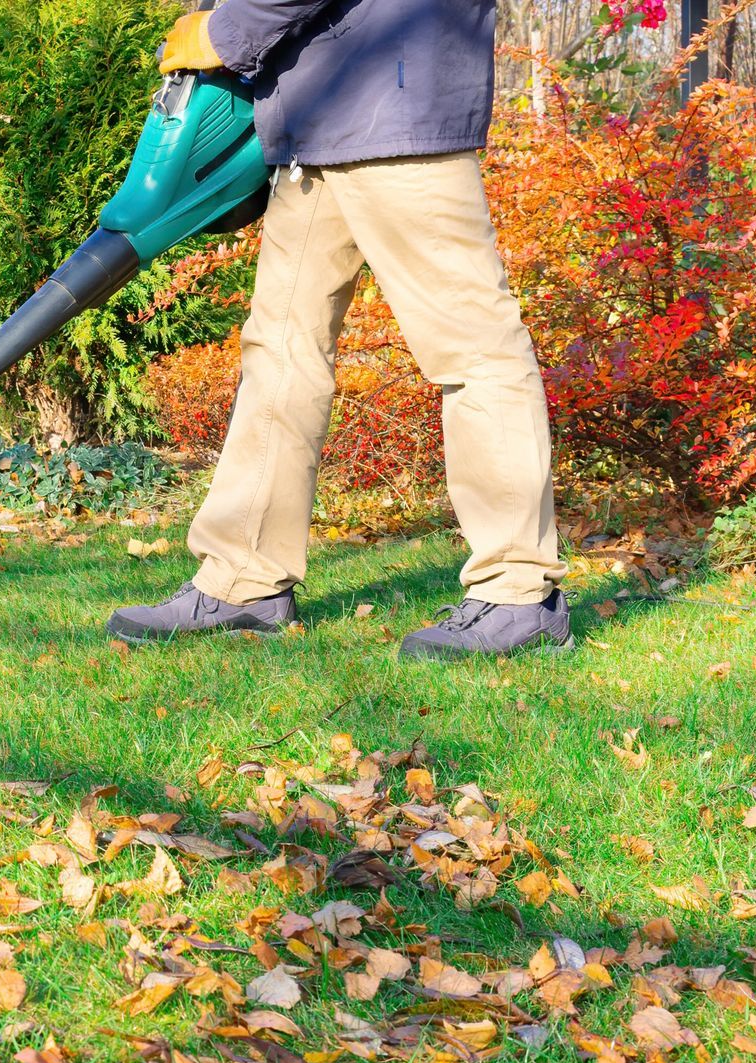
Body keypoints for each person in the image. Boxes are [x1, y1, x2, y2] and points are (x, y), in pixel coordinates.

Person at [106, 0, 573, 661]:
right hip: (316, 118)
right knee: (280, 355)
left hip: (396, 101)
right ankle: (243, 577)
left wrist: (224, 31)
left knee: (475, 349)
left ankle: (519, 592)